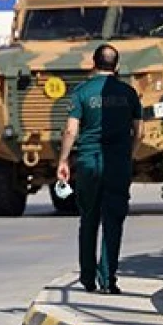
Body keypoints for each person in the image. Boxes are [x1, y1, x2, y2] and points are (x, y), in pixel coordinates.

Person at [57, 44, 143, 294]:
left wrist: (63, 160)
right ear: (117, 66)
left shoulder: (82, 92)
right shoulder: (129, 93)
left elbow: (71, 130)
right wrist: (128, 155)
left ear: (93, 64)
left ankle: (87, 277)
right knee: (113, 221)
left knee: (89, 219)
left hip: (88, 162)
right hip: (117, 164)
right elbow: (140, 132)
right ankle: (108, 279)